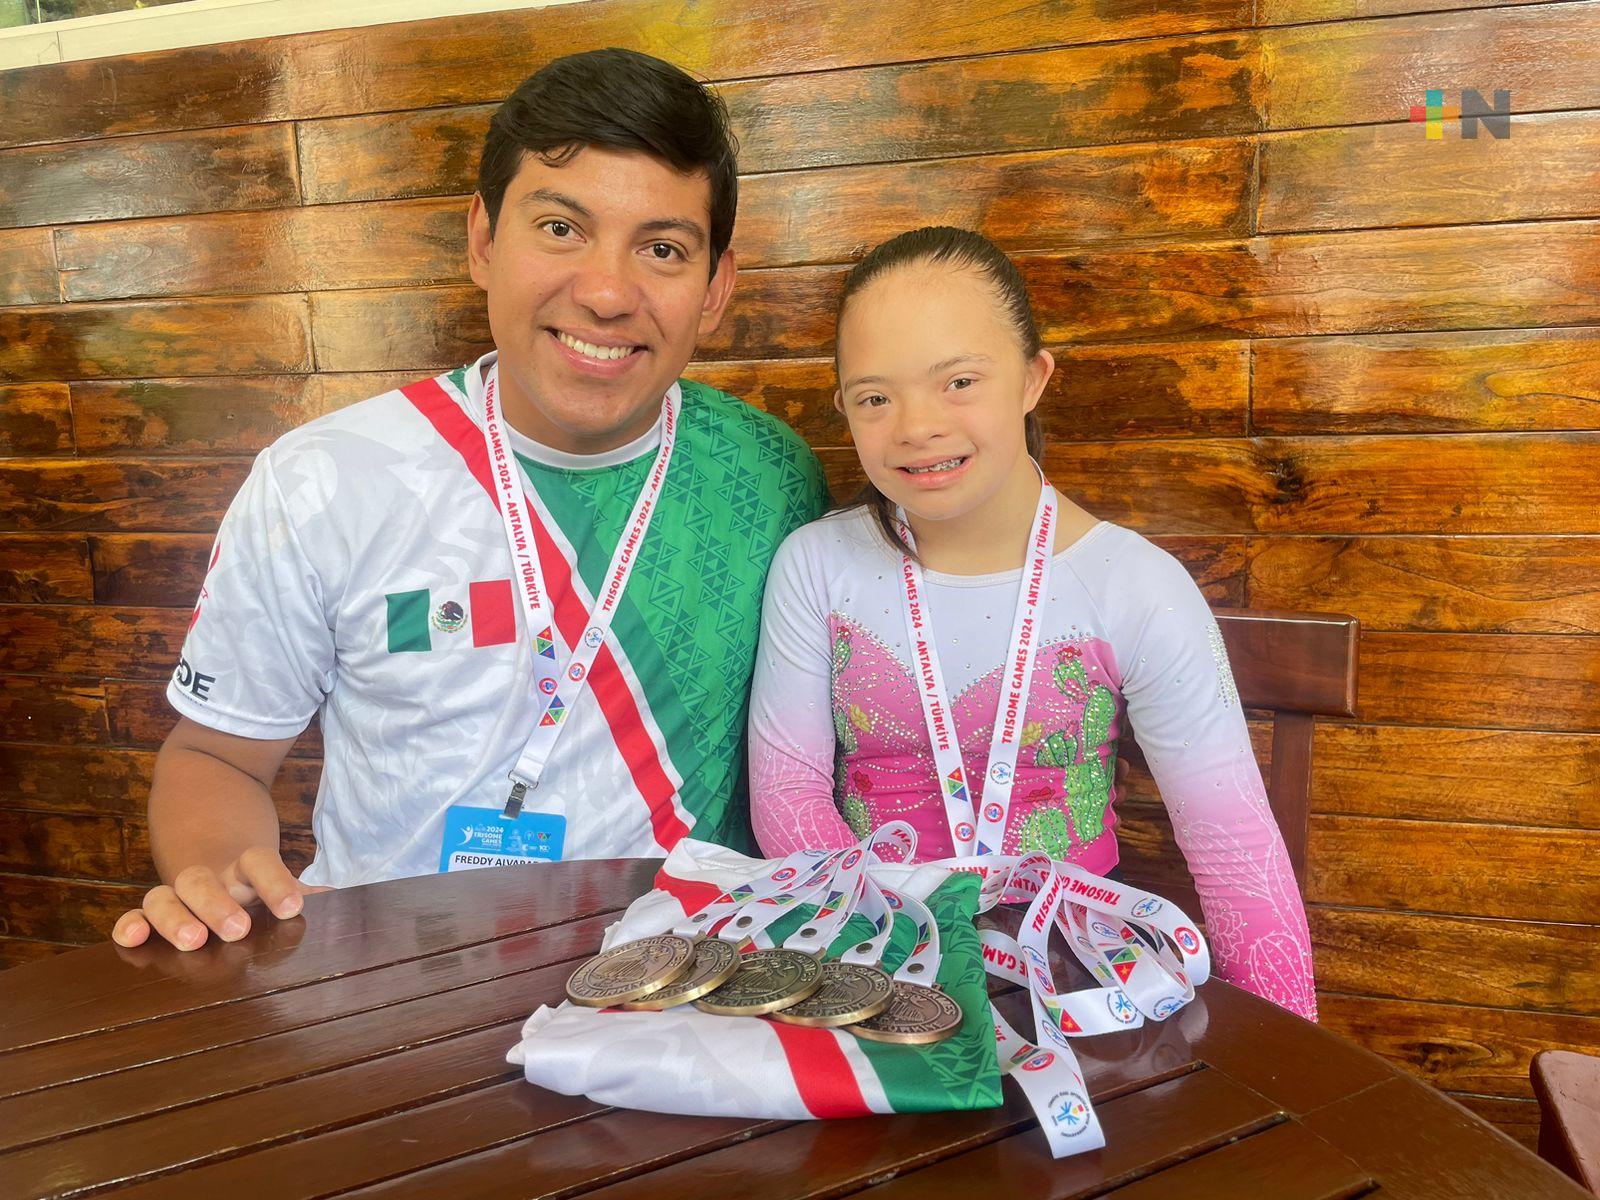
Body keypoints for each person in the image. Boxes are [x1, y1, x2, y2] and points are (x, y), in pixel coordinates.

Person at [112, 49, 828, 952]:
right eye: (561, 228)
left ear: (716, 286)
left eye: (662, 248)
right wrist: (222, 883)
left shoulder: (772, 477)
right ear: (484, 241)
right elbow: (214, 756)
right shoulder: (324, 480)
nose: (607, 293)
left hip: (686, 1008)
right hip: (396, 1015)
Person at [747, 226, 1316, 1019]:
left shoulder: (1138, 587)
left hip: (1075, 974)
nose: (916, 425)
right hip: (867, 963)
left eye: (959, 382)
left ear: (1031, 378)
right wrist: (906, 945)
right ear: (844, 405)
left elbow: (1235, 853)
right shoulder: (817, 566)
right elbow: (787, 796)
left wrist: (1285, 1082)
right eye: (875, 397)